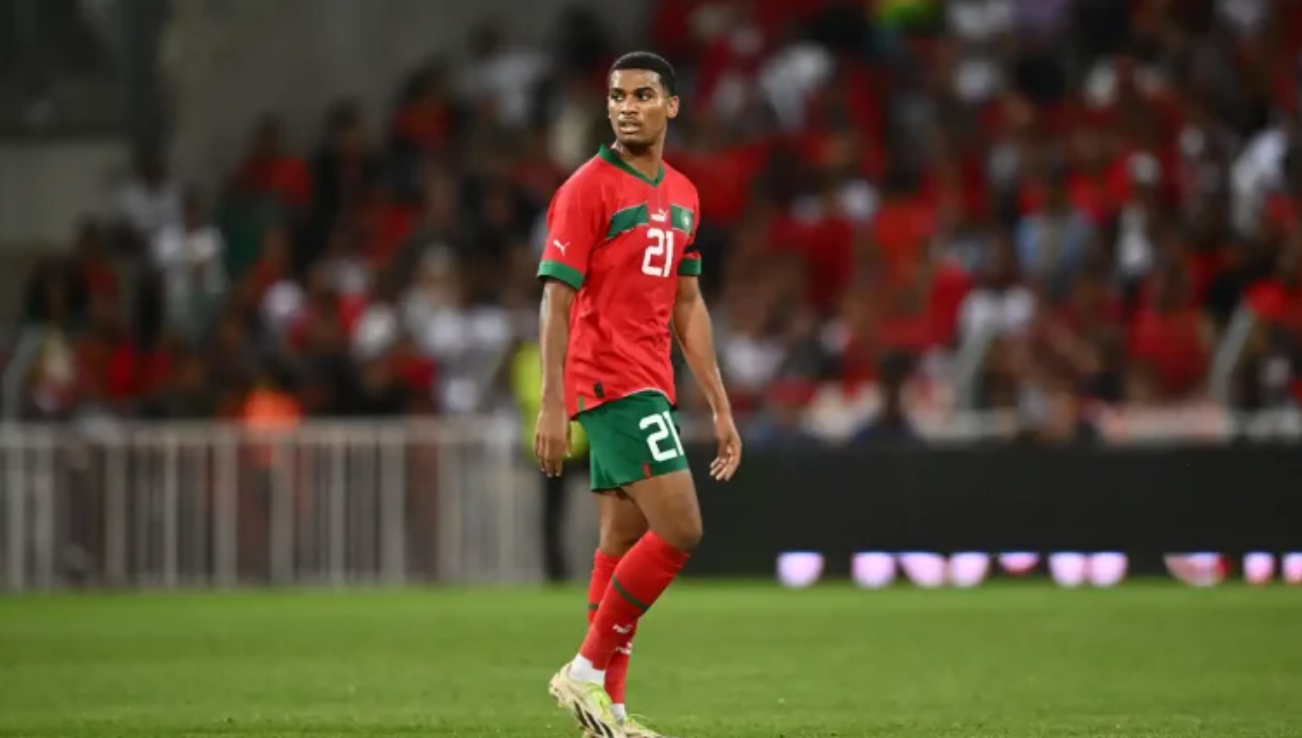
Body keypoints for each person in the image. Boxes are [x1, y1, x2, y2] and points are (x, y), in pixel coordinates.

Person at [534, 51, 743, 738]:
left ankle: (609, 717)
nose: (627, 107)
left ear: (671, 106)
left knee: (621, 540)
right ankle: (585, 671)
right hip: (611, 379)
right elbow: (556, 298)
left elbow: (688, 303)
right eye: (617, 96)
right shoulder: (587, 188)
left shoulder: (684, 194)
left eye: (642, 95)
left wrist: (718, 401)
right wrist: (551, 402)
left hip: (650, 379)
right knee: (682, 528)